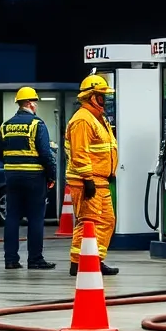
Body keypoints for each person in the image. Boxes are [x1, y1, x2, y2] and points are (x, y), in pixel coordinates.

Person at [0, 86, 57, 270]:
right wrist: (51, 175)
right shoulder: (37, 124)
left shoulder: (5, 125)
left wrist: (13, 162)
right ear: (30, 103)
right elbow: (46, 154)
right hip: (34, 177)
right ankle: (35, 259)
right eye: (35, 102)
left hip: (12, 177)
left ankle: (11, 260)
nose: (36, 105)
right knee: (36, 218)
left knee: (12, 217)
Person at [65, 73, 119, 277]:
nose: (104, 100)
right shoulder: (82, 120)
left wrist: (110, 172)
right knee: (88, 222)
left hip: (100, 180)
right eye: (101, 96)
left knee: (107, 221)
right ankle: (77, 263)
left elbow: (104, 148)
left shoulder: (99, 119)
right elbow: (80, 152)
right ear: (91, 97)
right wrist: (87, 179)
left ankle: (96, 259)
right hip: (86, 180)